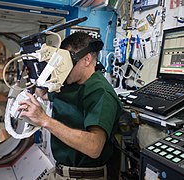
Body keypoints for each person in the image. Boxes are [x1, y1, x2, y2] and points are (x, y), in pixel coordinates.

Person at [18, 31, 123, 180]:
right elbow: (43, 94)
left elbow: (94, 147)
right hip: (60, 171)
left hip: (85, 176)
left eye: (66, 61)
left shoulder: (100, 92)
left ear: (86, 59)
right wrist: (42, 72)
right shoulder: (69, 83)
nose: (63, 66)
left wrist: (45, 120)